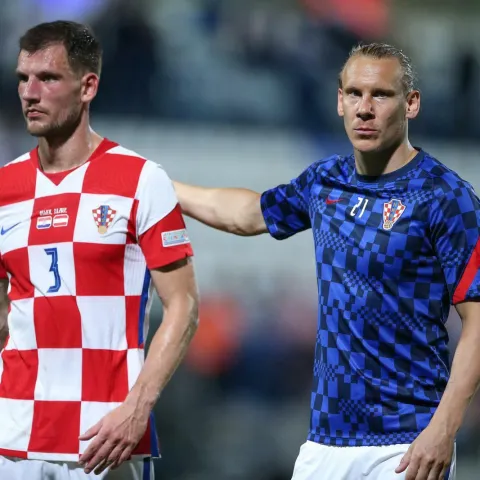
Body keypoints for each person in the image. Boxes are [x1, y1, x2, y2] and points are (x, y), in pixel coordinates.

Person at [173, 43, 480, 480]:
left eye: (381, 95)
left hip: (406, 442)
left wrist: (444, 429)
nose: (365, 109)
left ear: (410, 103)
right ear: (339, 101)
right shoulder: (325, 181)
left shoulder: (447, 197)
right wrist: (161, 187)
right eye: (354, 94)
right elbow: (248, 214)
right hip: (324, 444)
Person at [0, 20, 199, 480]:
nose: (30, 92)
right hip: (13, 436)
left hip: (105, 438)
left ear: (88, 86)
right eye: (22, 79)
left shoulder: (139, 179)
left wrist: (138, 407)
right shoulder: (5, 187)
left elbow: (183, 306)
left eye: (48, 78)